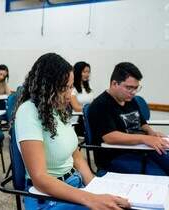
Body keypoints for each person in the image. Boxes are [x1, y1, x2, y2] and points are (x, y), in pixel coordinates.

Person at [14, 53, 130, 210]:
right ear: (46, 87)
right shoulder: (28, 111)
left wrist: (96, 188)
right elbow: (40, 179)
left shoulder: (58, 110)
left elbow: (76, 157)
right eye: (64, 88)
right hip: (46, 196)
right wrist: (90, 199)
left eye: (70, 87)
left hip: (74, 184)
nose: (69, 95)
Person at [88, 62, 169, 175]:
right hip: (116, 155)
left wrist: (151, 133)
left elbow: (142, 123)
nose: (133, 92)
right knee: (160, 176)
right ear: (114, 83)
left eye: (136, 88)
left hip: (141, 149)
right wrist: (144, 139)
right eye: (129, 88)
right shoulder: (100, 105)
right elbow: (110, 137)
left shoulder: (130, 100)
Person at [70, 61, 94, 136]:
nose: (87, 74)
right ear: (78, 72)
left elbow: (93, 103)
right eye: (84, 72)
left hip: (88, 116)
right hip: (77, 118)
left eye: (88, 72)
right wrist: (91, 109)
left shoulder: (89, 87)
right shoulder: (72, 88)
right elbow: (76, 107)